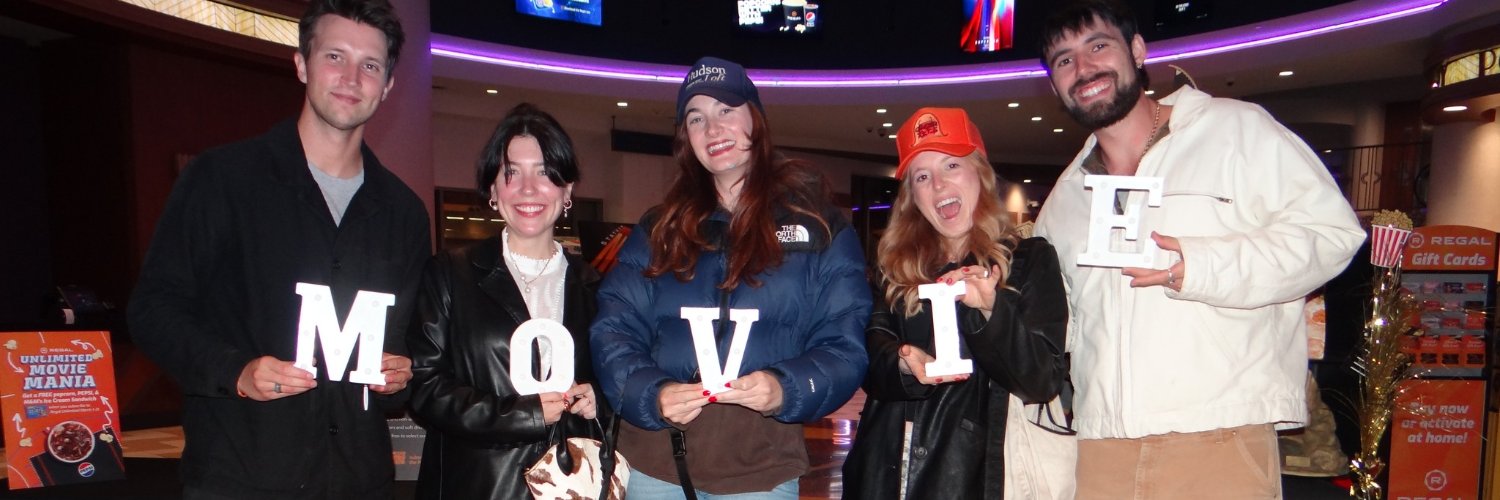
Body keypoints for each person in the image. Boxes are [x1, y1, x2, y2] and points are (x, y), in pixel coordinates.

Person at [1032, 0, 1365, 497]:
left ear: (1138, 50)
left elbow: (1332, 233)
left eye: (1097, 45)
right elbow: (1065, 326)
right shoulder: (1065, 200)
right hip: (1103, 445)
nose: (1082, 68)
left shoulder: (1236, 131)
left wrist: (1201, 266)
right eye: (1063, 60)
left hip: (1218, 433)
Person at [126, 1, 427, 498]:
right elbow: (154, 309)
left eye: (370, 65)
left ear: (389, 85)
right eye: (335, 56)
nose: (351, 77)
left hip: (359, 480)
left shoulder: (405, 214)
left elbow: (412, 341)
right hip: (242, 476)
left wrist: (404, 372)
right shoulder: (223, 180)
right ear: (302, 64)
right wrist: (236, 371)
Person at [590, 56, 871, 499]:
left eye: (726, 110)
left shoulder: (820, 227)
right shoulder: (658, 229)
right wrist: (652, 394)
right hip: (656, 467)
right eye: (696, 117)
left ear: (754, 120)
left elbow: (844, 342)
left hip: (760, 469)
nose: (712, 129)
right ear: (687, 138)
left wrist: (785, 387)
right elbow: (614, 329)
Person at [841, 107, 1069, 499]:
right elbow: (870, 356)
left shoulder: (1028, 260)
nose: (939, 185)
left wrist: (989, 311)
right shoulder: (895, 264)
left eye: (951, 166)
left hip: (972, 477)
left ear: (979, 174)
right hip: (884, 471)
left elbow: (1041, 380)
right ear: (912, 196)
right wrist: (903, 363)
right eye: (923, 176)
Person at [407, 103, 605, 498]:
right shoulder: (450, 274)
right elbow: (425, 387)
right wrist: (523, 415)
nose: (528, 189)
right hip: (478, 486)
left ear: (567, 190)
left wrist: (598, 399)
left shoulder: (595, 286)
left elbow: (614, 377)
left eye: (545, 173)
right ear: (493, 189)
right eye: (511, 173)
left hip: (569, 485)